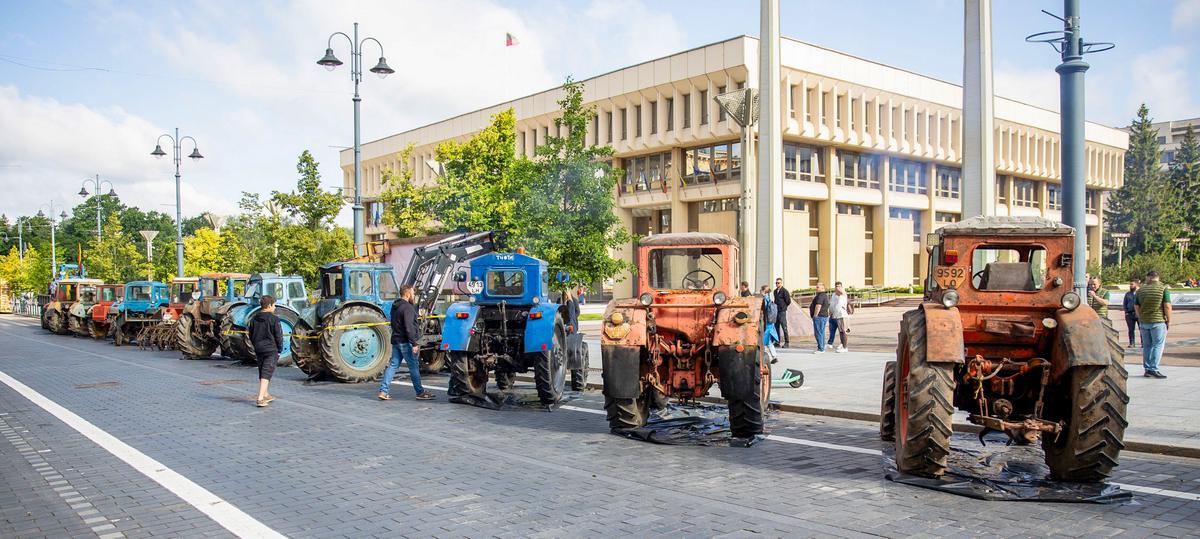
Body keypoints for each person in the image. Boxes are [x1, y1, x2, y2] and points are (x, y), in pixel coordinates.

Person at [379, 285, 435, 400]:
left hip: (396, 340)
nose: (414, 295)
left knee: (393, 366)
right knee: (413, 367)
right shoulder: (408, 308)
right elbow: (409, 327)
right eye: (413, 293)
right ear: (408, 293)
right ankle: (420, 392)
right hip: (406, 342)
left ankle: (383, 391)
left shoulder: (395, 306)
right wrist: (414, 343)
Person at [1135, 271, 1171, 379]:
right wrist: (1168, 320)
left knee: (1147, 346)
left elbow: (1136, 306)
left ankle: (1147, 369)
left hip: (1144, 322)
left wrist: (1140, 317)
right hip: (1158, 322)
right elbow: (1167, 306)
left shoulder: (1140, 290)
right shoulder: (1163, 289)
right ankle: (1153, 368)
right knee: (1157, 345)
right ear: (1157, 278)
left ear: (1149, 278)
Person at [251, 295, 283, 408]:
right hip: (271, 349)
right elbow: (278, 335)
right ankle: (260, 398)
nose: (274, 307)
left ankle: (266, 393)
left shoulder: (254, 318)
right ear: (269, 305)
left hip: (259, 348)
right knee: (267, 371)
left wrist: (256, 344)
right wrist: (279, 348)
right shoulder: (274, 319)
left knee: (262, 369)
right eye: (274, 305)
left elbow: (251, 334)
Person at [561, 287, 586, 391]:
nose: (566, 293)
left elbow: (577, 312)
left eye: (567, 292)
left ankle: (574, 372)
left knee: (573, 344)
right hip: (563, 324)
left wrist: (572, 320)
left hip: (572, 324)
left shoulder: (573, 301)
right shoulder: (560, 301)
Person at [827, 282, 852, 353]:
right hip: (836, 315)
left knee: (844, 331)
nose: (837, 288)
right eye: (836, 286)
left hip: (842, 315)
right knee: (841, 332)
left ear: (842, 287)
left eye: (839, 286)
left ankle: (845, 347)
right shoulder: (834, 295)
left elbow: (839, 305)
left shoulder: (843, 295)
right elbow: (832, 304)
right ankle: (842, 345)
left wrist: (841, 290)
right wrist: (830, 312)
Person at [759, 285, 780, 364]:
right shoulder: (770, 298)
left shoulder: (765, 299)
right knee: (768, 341)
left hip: (766, 322)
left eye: (761, 289)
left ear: (763, 290)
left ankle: (764, 358)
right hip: (770, 322)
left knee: (764, 340)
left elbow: (763, 310)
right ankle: (774, 356)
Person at [809, 283, 831, 353]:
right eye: (816, 287)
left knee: (818, 333)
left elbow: (818, 306)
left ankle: (820, 348)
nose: (816, 288)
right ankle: (822, 346)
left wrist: (815, 315)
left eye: (818, 287)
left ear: (822, 288)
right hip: (823, 316)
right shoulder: (823, 295)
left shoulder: (821, 295)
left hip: (820, 316)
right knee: (821, 332)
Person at [773, 278, 792, 347]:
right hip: (776, 311)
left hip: (782, 311)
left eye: (779, 283)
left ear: (781, 283)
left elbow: (788, 301)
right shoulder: (775, 291)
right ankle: (777, 342)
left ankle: (787, 342)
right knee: (776, 326)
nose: (777, 284)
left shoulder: (784, 291)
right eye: (776, 283)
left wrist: (783, 306)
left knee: (784, 327)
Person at [1123, 278, 1140, 347]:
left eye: (1132, 284)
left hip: (1139, 314)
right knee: (1130, 330)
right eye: (1130, 284)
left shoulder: (1140, 293)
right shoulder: (1128, 294)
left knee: (1141, 329)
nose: (1130, 286)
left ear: (1136, 284)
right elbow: (1125, 303)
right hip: (1130, 314)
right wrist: (1126, 312)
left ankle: (1144, 343)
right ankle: (1132, 343)